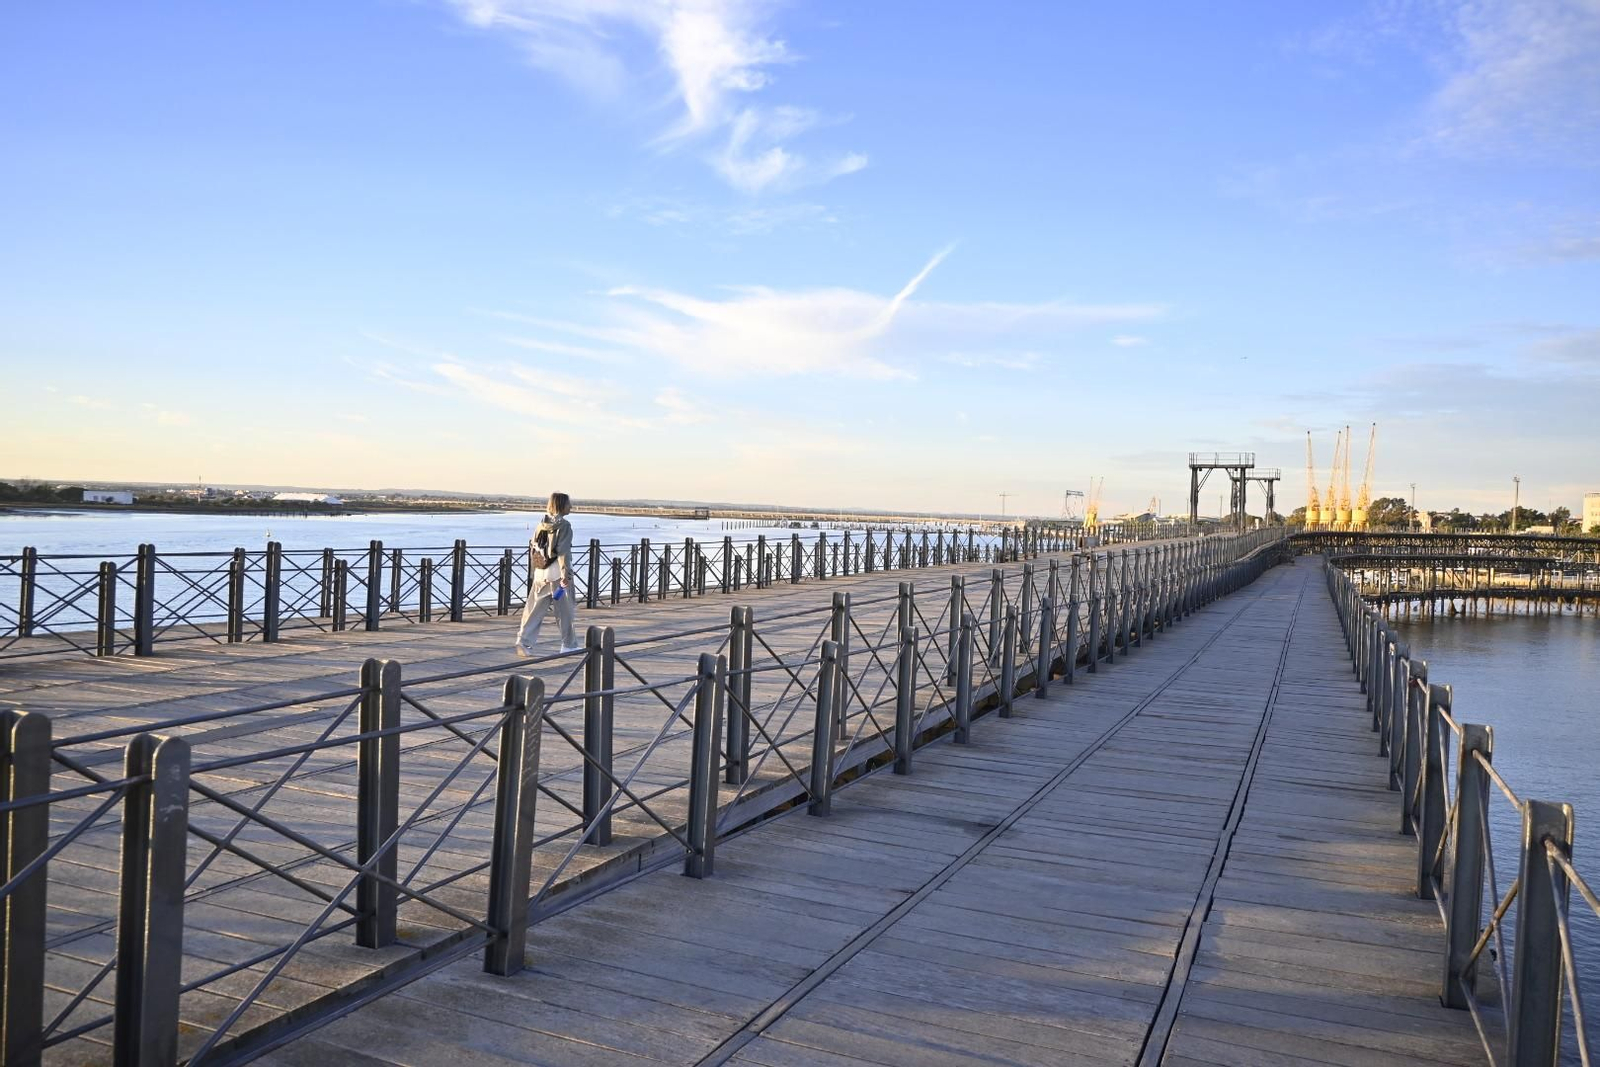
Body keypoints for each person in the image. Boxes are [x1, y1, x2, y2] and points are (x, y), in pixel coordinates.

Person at [515, 492, 579, 656]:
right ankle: (569, 644)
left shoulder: (540, 525)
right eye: (568, 504)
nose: (570, 507)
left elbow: (533, 550)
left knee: (534, 609)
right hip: (558, 574)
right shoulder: (564, 526)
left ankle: (523, 641)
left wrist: (534, 572)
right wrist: (566, 574)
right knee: (565, 611)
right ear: (561, 505)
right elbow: (563, 552)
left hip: (541, 572)